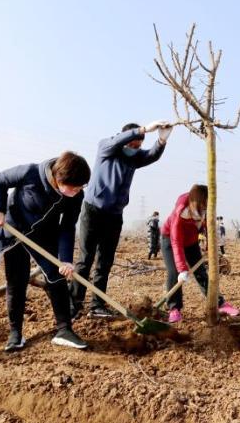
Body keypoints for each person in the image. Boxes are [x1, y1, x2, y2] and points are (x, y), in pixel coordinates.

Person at [0, 151, 91, 351]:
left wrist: (66, 260)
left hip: (44, 235)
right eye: (74, 187)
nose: (78, 191)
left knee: (56, 277)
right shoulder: (30, 173)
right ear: (58, 179)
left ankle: (64, 330)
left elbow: (68, 226)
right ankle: (15, 333)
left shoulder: (76, 195)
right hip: (15, 231)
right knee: (16, 281)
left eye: (81, 187)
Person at [71, 121, 172, 318]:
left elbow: (152, 155)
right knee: (85, 259)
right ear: (124, 139)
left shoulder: (134, 159)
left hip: (115, 215)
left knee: (105, 261)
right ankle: (74, 304)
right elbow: (116, 141)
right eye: (132, 145)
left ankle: (97, 304)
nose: (135, 149)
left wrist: (161, 140)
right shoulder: (106, 149)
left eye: (138, 146)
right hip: (93, 211)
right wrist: (143, 130)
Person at [160, 185, 240, 323]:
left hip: (191, 241)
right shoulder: (180, 212)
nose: (201, 211)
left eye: (204, 207)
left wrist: (210, 247)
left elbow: (209, 228)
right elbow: (176, 241)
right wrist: (182, 269)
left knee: (201, 272)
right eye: (199, 208)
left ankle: (219, 304)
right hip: (170, 240)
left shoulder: (206, 209)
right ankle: (174, 309)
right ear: (192, 203)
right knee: (174, 272)